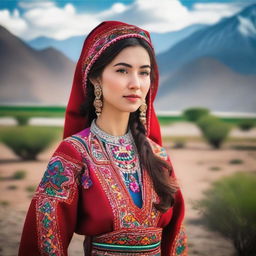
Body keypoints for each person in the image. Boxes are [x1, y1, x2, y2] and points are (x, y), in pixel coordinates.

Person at [18, 21, 187, 256]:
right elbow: (45, 240)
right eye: (122, 70)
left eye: (144, 73)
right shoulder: (74, 153)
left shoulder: (158, 155)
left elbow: (176, 239)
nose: (135, 84)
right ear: (96, 78)